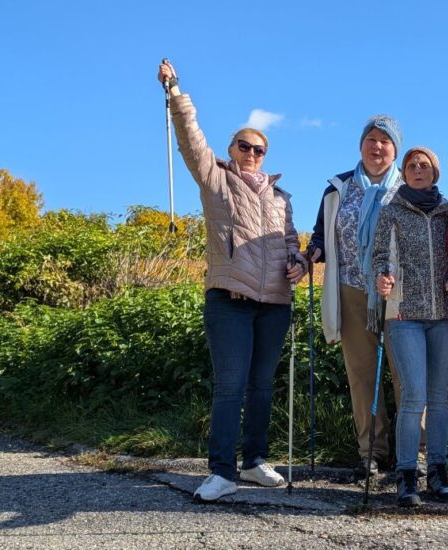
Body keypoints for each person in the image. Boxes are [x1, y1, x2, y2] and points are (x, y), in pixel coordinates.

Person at [157, 62, 306, 502]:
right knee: (230, 384)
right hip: (229, 298)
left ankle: (255, 461)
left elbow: (291, 242)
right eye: (245, 146)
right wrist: (176, 92)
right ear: (232, 147)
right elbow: (190, 139)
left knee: (262, 385)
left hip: (275, 302)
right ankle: (221, 471)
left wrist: (297, 261)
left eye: (259, 149)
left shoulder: (280, 197)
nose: (253, 154)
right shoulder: (216, 179)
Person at [310, 116, 427, 476]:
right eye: (371, 140)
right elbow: (320, 237)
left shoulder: (410, 185)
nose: (377, 147)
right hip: (351, 287)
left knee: (406, 374)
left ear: (396, 149)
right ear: (361, 145)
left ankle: (416, 453)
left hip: (400, 292)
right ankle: (372, 452)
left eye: (386, 141)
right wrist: (311, 252)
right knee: (361, 374)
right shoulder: (338, 188)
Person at [373, 147, 448, 507]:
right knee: (414, 398)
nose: (417, 169)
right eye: (411, 165)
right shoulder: (391, 211)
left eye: (424, 165)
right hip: (404, 315)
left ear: (434, 173)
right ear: (404, 173)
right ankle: (407, 475)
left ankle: (439, 472)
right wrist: (382, 277)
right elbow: (381, 256)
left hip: (443, 316)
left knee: (439, 399)